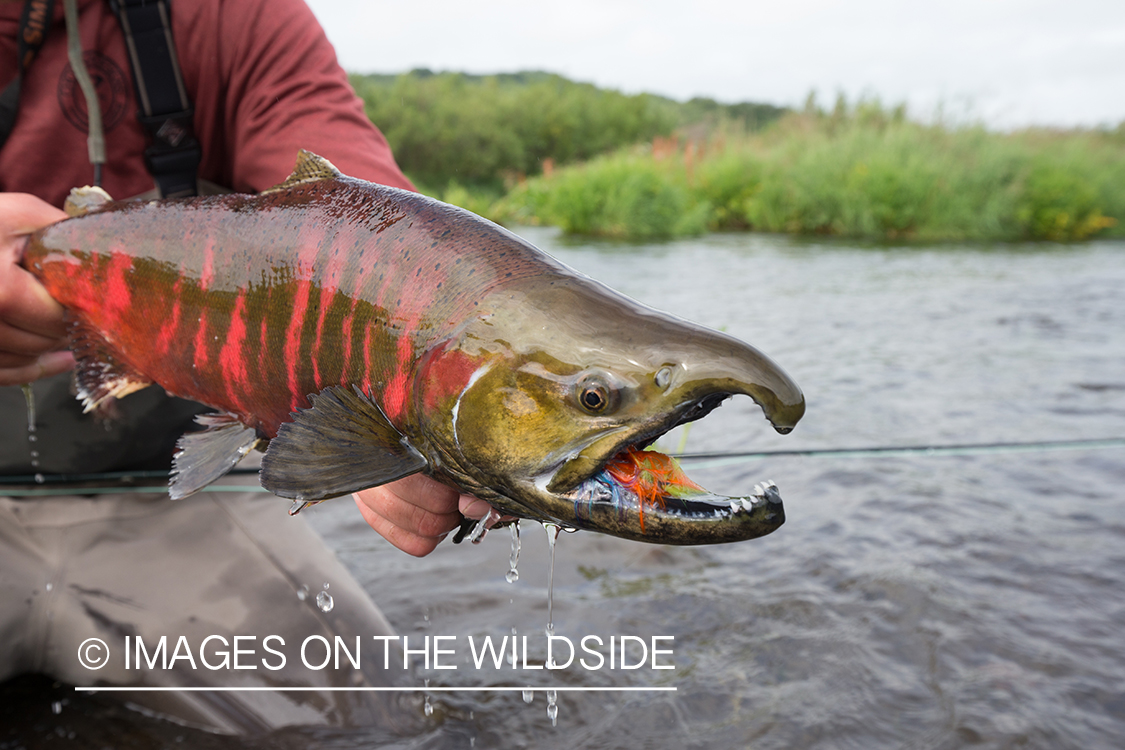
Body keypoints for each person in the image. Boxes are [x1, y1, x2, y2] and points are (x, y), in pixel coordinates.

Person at [0, 0, 492, 733]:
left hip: (165, 498)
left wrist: (419, 358)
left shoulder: (237, 12)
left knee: (383, 720)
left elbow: (359, 206)